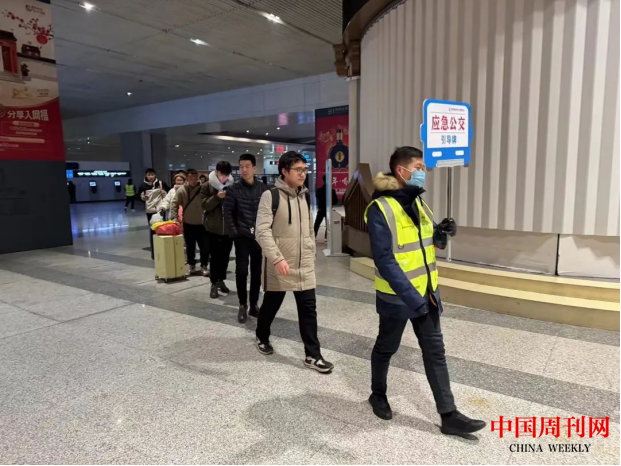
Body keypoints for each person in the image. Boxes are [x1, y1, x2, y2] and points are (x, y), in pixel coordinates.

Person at [364, 146, 485, 436]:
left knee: (435, 352)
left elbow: (433, 243)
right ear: (401, 171)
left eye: (424, 167)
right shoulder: (380, 209)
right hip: (398, 297)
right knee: (386, 347)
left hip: (427, 292)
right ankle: (377, 394)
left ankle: (449, 415)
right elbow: (384, 259)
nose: (423, 172)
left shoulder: (419, 203)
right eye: (418, 167)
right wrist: (412, 298)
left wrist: (443, 232)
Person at [255, 151, 334, 374]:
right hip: (280, 264)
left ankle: (313, 355)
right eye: (298, 170)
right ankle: (262, 336)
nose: (303, 174)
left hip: (303, 264)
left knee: (309, 309)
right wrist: (277, 258)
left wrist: (311, 252)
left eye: (304, 170)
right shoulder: (270, 196)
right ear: (284, 171)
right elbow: (262, 232)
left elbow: (308, 229)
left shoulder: (304, 195)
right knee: (271, 305)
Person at [223, 153, 268, 323]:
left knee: (257, 272)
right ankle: (242, 304)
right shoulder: (233, 189)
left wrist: (265, 231)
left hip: (258, 237)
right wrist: (234, 233)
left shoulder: (264, 189)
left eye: (247, 166)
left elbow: (269, 212)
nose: (244, 170)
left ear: (254, 168)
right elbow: (227, 213)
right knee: (241, 272)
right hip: (241, 236)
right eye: (241, 166)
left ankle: (254, 304)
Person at [202, 162, 235, 298]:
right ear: (216, 172)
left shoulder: (232, 186)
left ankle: (221, 280)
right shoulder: (207, 186)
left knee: (225, 257)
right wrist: (216, 198)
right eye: (221, 174)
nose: (224, 178)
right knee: (215, 258)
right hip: (213, 228)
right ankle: (213, 283)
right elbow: (204, 205)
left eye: (226, 175)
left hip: (228, 229)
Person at [171, 169, 209, 276]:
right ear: (187, 178)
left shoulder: (204, 188)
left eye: (195, 178)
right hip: (188, 223)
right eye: (190, 178)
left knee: (205, 247)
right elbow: (174, 204)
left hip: (203, 224)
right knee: (190, 247)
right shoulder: (182, 190)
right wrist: (174, 218)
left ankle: (204, 265)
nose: (193, 180)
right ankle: (192, 265)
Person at [138, 169, 168, 260]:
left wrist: (164, 193)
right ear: (146, 175)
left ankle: (163, 250)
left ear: (155, 175)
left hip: (160, 210)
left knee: (161, 229)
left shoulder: (161, 183)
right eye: (149, 175)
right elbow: (139, 196)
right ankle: (154, 253)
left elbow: (169, 193)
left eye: (152, 174)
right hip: (150, 211)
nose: (150, 177)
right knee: (153, 230)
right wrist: (143, 197)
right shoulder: (143, 185)